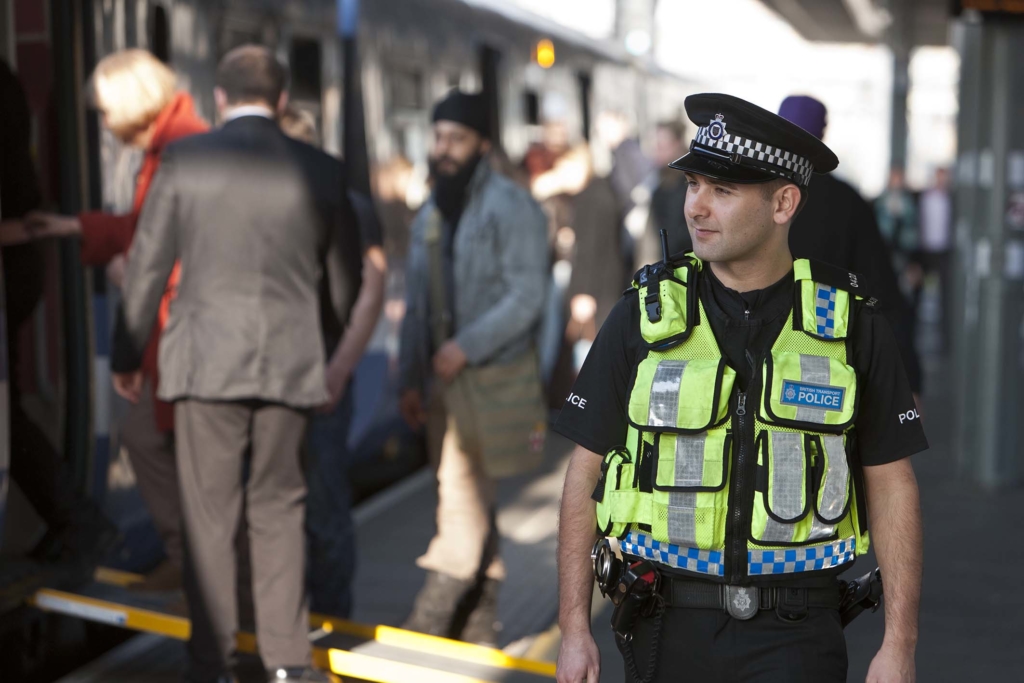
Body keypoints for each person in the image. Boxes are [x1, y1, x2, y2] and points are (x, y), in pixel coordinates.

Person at [554, 94, 927, 683]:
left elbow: (892, 482)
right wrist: (574, 628)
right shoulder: (643, 319)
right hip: (664, 630)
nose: (696, 207)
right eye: (693, 184)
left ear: (784, 203)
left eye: (722, 191)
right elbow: (585, 472)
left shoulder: (852, 327)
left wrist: (899, 643)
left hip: (799, 637)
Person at [121, 45, 362, 683]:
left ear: (220, 98)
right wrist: (324, 342)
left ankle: (214, 663)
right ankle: (287, 662)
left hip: (204, 366)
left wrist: (127, 353)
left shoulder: (186, 160)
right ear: (282, 100)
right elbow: (346, 281)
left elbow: (147, 266)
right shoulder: (322, 170)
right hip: (290, 366)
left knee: (209, 516)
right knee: (280, 507)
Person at [28, 49, 208, 591]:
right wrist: (69, 226)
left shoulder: (179, 150)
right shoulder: (170, 146)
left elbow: (158, 240)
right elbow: (141, 225)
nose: (104, 126)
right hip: (174, 330)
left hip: (182, 331)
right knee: (154, 439)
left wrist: (133, 291)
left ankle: (202, 570)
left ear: (133, 102)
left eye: (106, 113)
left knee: (163, 443)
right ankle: (195, 562)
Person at [398, 90, 549, 646]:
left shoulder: (512, 206)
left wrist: (465, 345)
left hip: (487, 381)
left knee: (458, 495)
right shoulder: (432, 209)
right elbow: (417, 304)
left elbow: (528, 294)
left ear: (482, 144)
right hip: (441, 383)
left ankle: (430, 620)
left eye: (456, 138)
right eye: (438, 137)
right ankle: (481, 622)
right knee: (472, 495)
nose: (443, 149)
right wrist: (408, 380)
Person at [0, 58, 117, 575]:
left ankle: (80, 522)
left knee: (6, 409)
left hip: (10, 256)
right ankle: (78, 521)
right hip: (18, 257)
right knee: (7, 408)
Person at [280, 105, 388, 618]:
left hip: (321, 373)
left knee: (322, 510)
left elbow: (371, 286)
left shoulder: (344, 202)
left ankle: (332, 619)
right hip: (294, 374)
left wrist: (340, 368)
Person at [779, 95, 923, 394]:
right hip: (826, 353)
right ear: (822, 137)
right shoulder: (849, 202)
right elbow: (882, 295)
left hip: (755, 351)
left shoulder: (751, 194)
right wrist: (909, 379)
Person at [637, 119, 693, 267]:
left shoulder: (693, 183)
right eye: (655, 145)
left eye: (661, 145)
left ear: (678, 143)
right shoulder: (658, 187)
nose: (657, 150)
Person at [919, 167, 953, 351]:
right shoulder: (925, 198)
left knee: (944, 296)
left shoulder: (950, 199)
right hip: (925, 252)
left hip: (943, 252)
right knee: (919, 294)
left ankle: (944, 341)